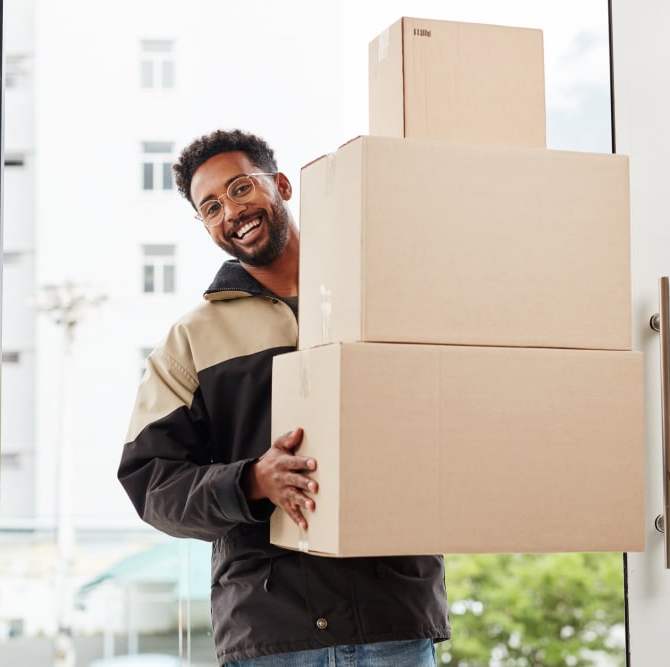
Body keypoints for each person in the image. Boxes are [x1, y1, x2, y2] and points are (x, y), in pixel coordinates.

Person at [117, 129, 450, 666]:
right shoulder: (193, 340)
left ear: (282, 186)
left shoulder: (380, 293)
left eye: (241, 188)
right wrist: (250, 482)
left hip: (392, 613)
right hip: (270, 631)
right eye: (211, 207)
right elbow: (151, 482)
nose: (232, 210)